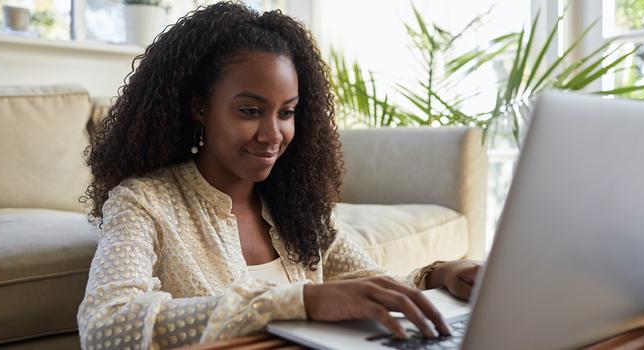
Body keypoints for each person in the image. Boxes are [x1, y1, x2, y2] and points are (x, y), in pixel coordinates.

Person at [78, 2, 482, 349]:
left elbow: (369, 287)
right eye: (250, 111)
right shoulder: (143, 201)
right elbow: (106, 325)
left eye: (286, 112)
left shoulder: (294, 208)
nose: (273, 135)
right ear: (200, 108)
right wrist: (299, 301)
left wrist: (439, 276)